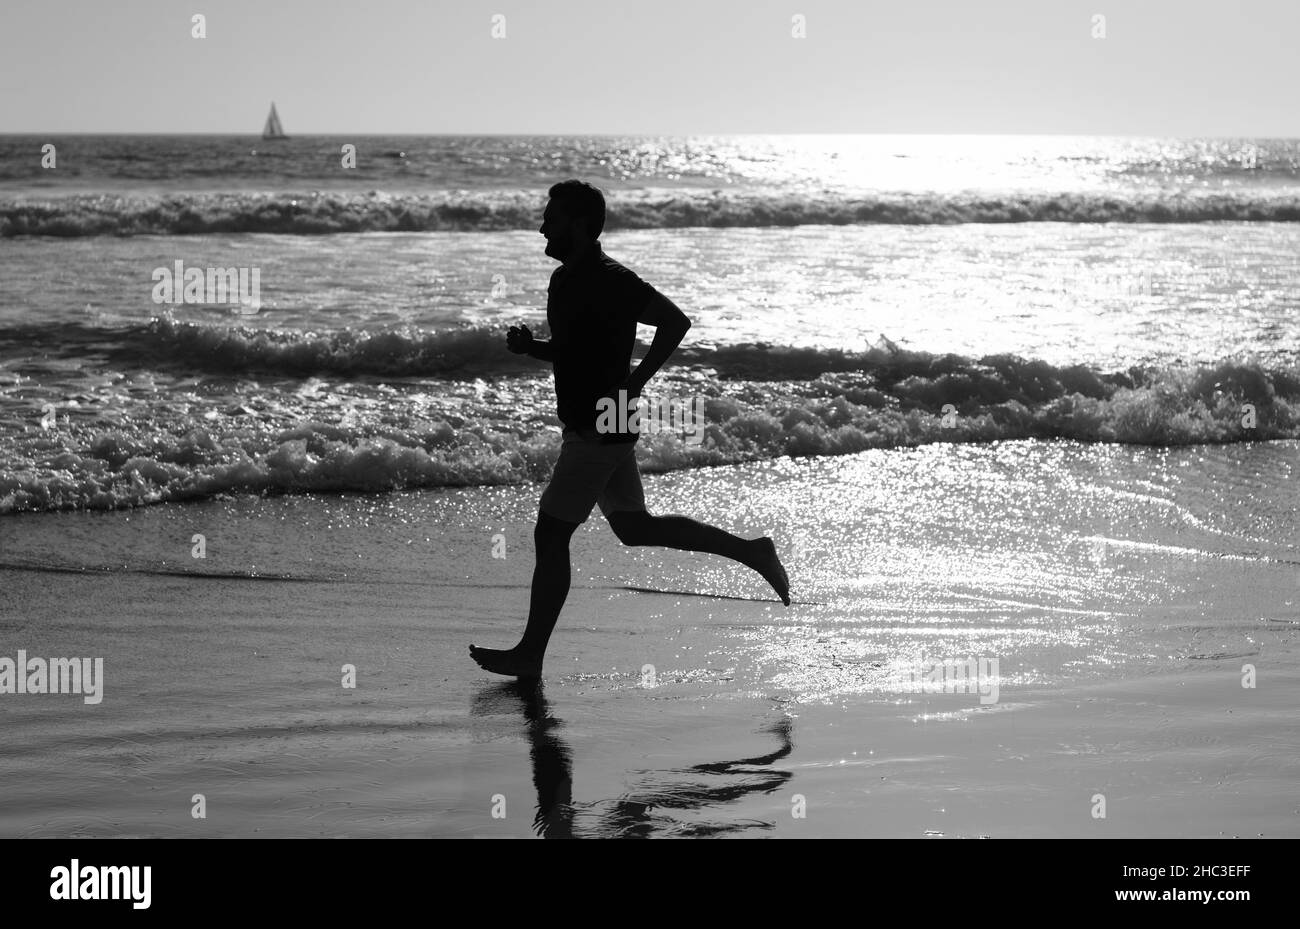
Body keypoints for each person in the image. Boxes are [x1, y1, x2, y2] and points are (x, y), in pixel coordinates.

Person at [469, 180, 789, 678]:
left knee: (551, 535)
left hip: (602, 423)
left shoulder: (611, 278)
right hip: (596, 422)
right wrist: (533, 347)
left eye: (551, 218)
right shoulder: (564, 280)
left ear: (577, 224)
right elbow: (572, 349)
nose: (542, 226)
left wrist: (634, 383)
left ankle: (530, 655)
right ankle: (751, 550)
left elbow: (675, 322)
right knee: (634, 528)